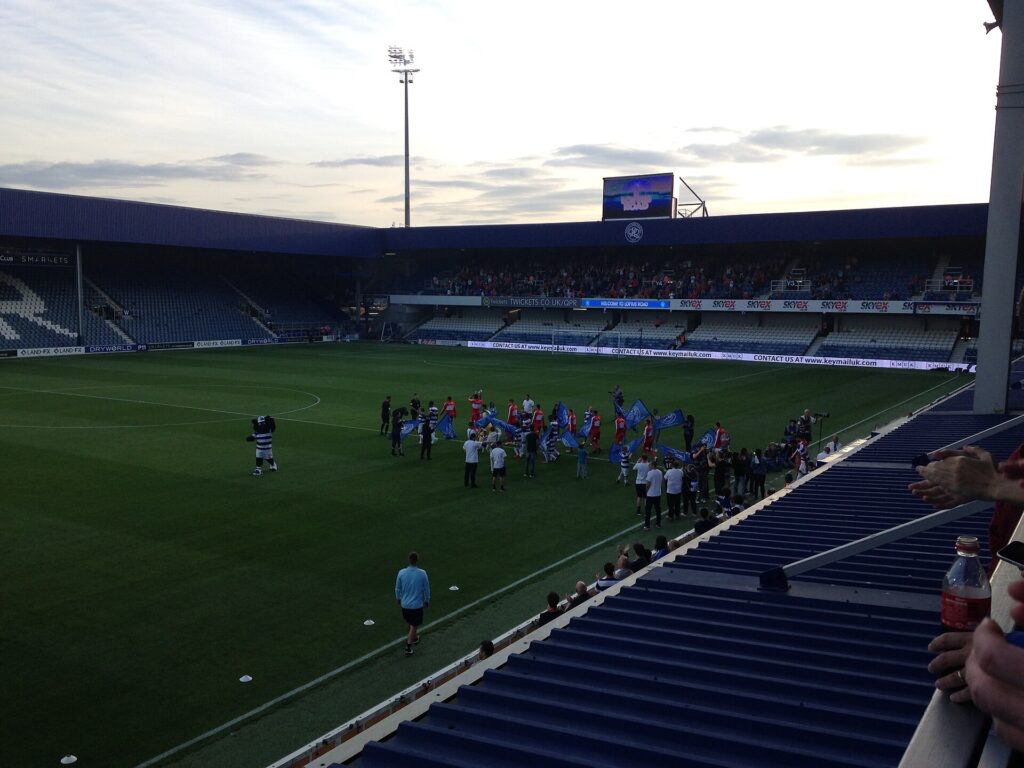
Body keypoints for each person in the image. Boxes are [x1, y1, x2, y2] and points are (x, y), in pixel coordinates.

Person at [395, 552, 430, 656]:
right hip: (416, 606)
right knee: (414, 625)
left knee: (410, 623)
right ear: (417, 560)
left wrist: (398, 598)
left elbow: (397, 588)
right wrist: (427, 600)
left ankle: (414, 638)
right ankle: (408, 647)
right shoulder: (422, 573)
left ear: (409, 560)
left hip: (405, 605)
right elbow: (426, 588)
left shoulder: (401, 572)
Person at [644, 460, 664, 530]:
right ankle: (658, 524)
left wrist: (645, 491)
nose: (649, 466)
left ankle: (647, 525)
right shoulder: (660, 472)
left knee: (648, 510)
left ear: (653, 465)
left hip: (650, 494)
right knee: (658, 509)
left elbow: (648, 484)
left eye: (650, 465)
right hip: (658, 493)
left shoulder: (650, 473)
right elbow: (661, 481)